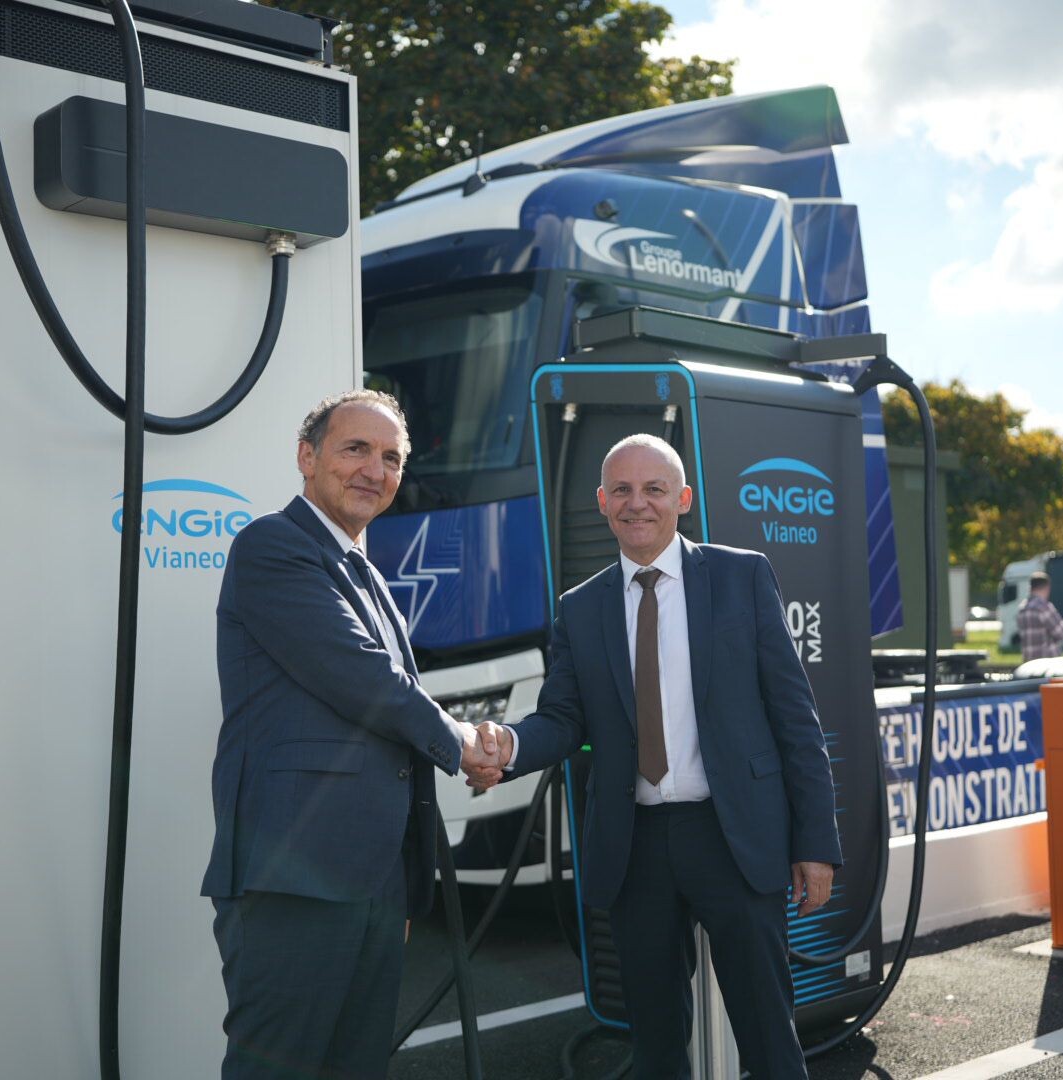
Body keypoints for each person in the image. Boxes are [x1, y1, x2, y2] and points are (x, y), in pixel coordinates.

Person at [466, 434, 841, 1080]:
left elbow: (794, 718)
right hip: (634, 847)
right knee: (656, 1044)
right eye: (623, 491)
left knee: (768, 1036)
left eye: (654, 489)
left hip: (733, 839)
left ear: (683, 499)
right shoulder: (580, 609)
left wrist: (816, 841)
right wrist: (510, 745)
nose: (637, 503)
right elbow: (561, 720)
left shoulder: (740, 577)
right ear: (602, 503)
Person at [203, 389, 501, 1080]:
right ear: (307, 457)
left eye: (391, 458)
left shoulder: (362, 568)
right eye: (356, 449)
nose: (375, 469)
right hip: (296, 880)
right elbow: (363, 680)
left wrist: (393, 883)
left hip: (367, 884)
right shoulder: (273, 546)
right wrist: (462, 742)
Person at [1016, 570, 1063, 661]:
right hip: (1047, 662)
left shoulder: (1022, 608)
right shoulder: (1044, 607)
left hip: (1029, 662)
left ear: (1031, 587)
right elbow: (1061, 633)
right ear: (1047, 587)